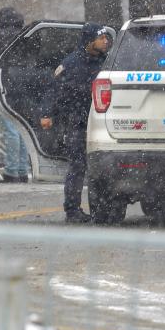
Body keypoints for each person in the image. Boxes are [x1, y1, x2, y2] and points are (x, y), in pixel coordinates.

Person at [40, 23, 111, 223]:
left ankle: (104, 209)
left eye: (106, 38)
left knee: (102, 167)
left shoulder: (108, 63)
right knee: (78, 167)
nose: (105, 41)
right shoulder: (70, 64)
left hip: (101, 124)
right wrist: (47, 113)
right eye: (101, 38)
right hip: (77, 123)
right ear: (90, 41)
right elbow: (53, 90)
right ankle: (72, 210)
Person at [0, 7, 30, 183]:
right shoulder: (26, 35)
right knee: (22, 129)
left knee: (11, 129)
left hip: (5, 86)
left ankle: (11, 170)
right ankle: (23, 169)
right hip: (24, 88)